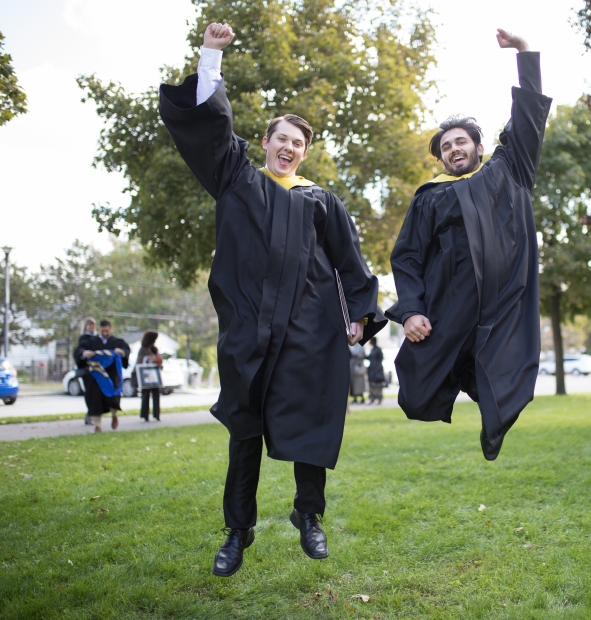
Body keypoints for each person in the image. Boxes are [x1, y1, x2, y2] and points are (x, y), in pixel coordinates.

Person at [159, 22, 386, 577]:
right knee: (245, 429)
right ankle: (238, 531)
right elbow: (212, 129)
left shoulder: (320, 201)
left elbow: (350, 260)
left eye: (299, 143)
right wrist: (211, 54)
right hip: (248, 330)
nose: (290, 148)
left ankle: (309, 515)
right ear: (264, 142)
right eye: (282, 138)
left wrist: (361, 315)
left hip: (309, 330)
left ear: (305, 153)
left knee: (310, 420)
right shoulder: (237, 178)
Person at [385, 29, 552, 461]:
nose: (454, 149)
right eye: (446, 146)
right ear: (439, 157)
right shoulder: (430, 196)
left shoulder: (507, 170)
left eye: (461, 141)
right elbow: (406, 257)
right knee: (417, 390)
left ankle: (492, 425)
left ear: (479, 146)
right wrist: (412, 310)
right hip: (449, 306)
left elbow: (529, 116)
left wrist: (524, 52)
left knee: (509, 379)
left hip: (504, 302)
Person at [74, 320, 130, 432]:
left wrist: (121, 352)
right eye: (102, 330)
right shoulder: (91, 342)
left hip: (111, 376)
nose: (105, 332)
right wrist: (85, 353)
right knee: (94, 400)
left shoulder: (117, 342)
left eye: (107, 330)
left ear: (111, 328)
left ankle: (114, 416)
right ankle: (97, 425)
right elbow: (79, 350)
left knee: (112, 398)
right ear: (99, 329)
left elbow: (126, 350)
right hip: (96, 376)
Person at [135, 330, 163, 422]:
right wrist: (148, 358)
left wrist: (158, 360)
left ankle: (157, 414)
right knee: (145, 395)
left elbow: (159, 360)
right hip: (145, 376)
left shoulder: (155, 349)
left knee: (156, 394)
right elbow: (139, 361)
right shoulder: (143, 349)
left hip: (155, 375)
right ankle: (145, 415)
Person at [76, 317, 97, 426]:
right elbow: (79, 351)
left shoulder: (97, 338)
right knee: (90, 393)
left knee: (97, 394)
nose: (91, 327)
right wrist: (85, 353)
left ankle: (93, 414)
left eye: (93, 325)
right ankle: (90, 415)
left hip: (97, 370)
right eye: (89, 325)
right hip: (88, 370)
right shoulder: (83, 338)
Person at [367, 338, 385, 405]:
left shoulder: (378, 349)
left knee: (378, 385)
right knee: (372, 384)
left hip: (377, 370)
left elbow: (381, 358)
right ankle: (372, 398)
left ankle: (379, 398)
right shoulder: (372, 350)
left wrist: (378, 366)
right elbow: (369, 358)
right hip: (371, 369)